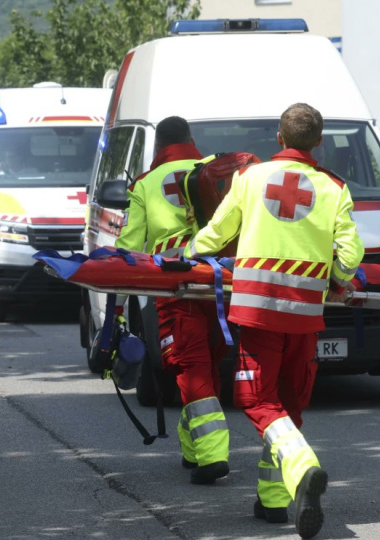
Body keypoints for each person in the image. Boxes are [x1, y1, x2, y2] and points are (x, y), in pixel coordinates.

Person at [184, 103, 365, 539]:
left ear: (278, 139)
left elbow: (220, 232)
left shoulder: (250, 177)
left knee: (257, 401)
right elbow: (350, 255)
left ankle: (303, 467)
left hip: (259, 310)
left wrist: (187, 253)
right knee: (288, 403)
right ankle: (274, 501)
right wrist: (339, 280)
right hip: (304, 315)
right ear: (319, 142)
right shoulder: (334, 188)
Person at [115, 116, 231, 485]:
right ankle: (193, 449)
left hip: (174, 287)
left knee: (190, 364)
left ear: (157, 147)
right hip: (218, 282)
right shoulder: (213, 168)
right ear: (191, 139)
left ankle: (212, 455)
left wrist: (117, 305)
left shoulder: (145, 184)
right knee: (206, 363)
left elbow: (129, 249)